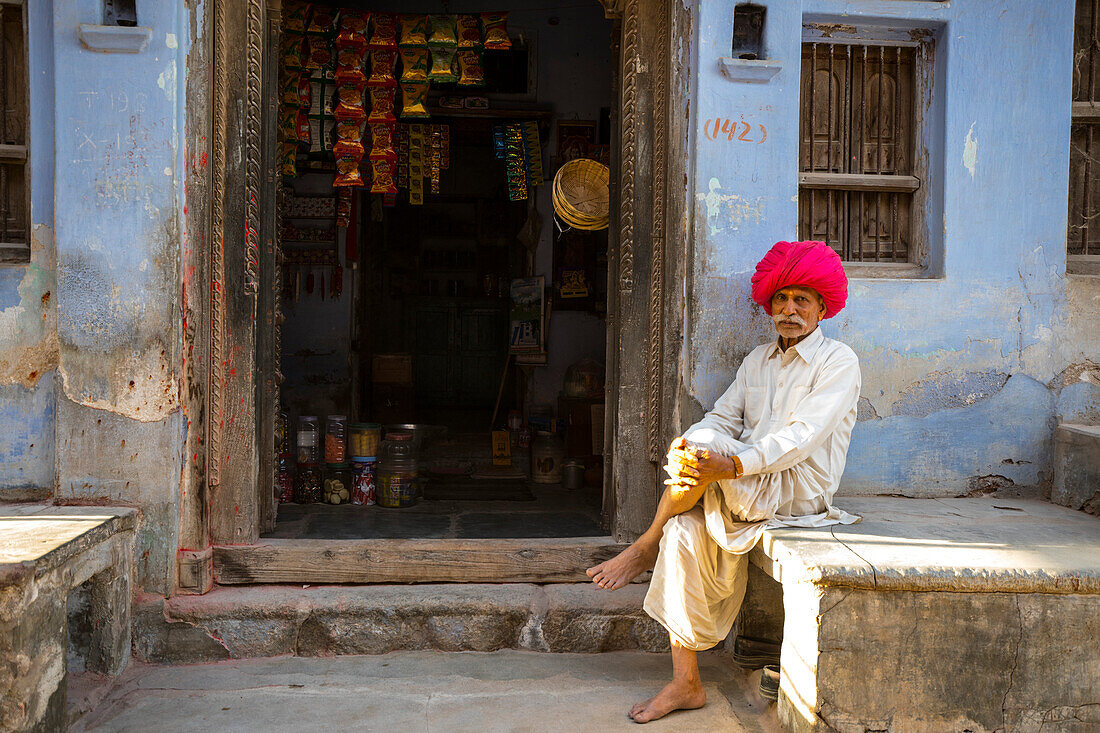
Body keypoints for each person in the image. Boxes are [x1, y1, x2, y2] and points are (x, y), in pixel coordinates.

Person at [586, 240, 863, 723]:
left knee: (702, 462)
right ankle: (685, 682)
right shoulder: (758, 359)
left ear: (823, 306)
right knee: (683, 529)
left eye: (802, 300)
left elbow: (800, 440)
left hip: (797, 489)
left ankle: (642, 543)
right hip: (743, 481)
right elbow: (721, 417)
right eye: (781, 299)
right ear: (769, 306)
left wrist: (728, 466)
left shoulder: (838, 362)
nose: (790, 310)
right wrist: (694, 446)